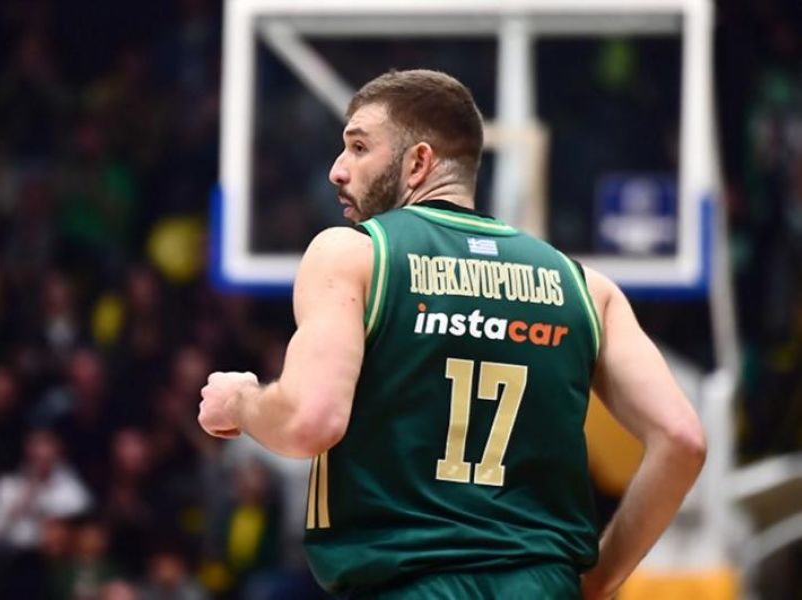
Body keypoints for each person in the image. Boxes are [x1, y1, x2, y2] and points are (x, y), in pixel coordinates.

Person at [198, 69, 706, 599]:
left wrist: (242, 402)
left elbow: (309, 422)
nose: (337, 169)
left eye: (359, 147)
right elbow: (683, 441)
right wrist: (599, 579)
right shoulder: (587, 288)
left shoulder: (354, 255)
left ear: (418, 162)